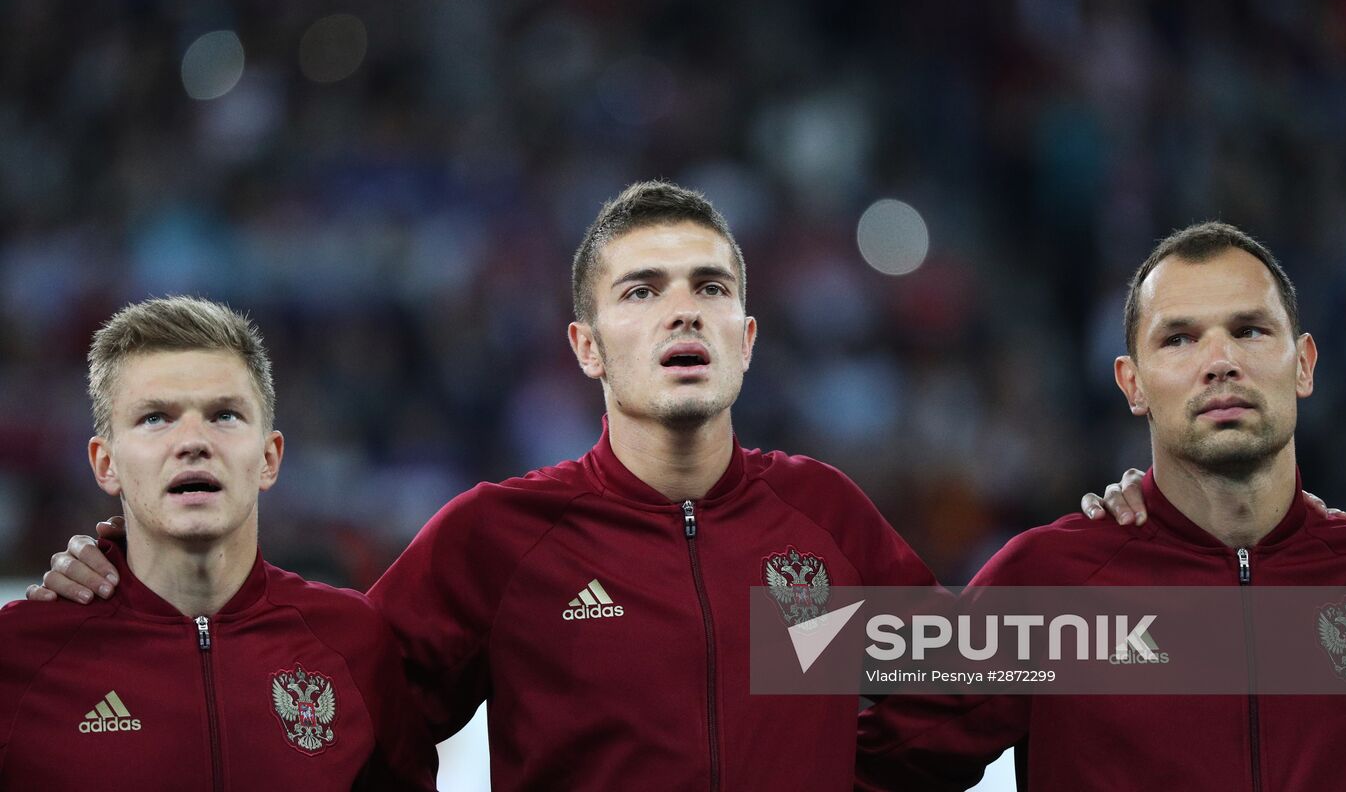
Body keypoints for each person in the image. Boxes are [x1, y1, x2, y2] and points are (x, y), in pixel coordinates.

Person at [31, 182, 1151, 788]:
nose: (680, 310)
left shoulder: (820, 516)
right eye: (641, 290)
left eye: (709, 287)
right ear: (583, 343)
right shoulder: (501, 538)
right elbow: (331, 712)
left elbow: (956, 696)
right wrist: (128, 580)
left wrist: (1118, 544)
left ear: (747, 336)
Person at [857, 222, 1346, 790]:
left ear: (1305, 364)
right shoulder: (1051, 588)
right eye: (1179, 339)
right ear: (1132, 384)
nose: (1220, 362)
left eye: (1250, 330)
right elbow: (867, 765)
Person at [0, 297, 436, 790]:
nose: (193, 441)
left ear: (269, 458)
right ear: (106, 464)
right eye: (155, 418)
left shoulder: (354, 645)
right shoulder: (17, 656)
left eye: (224, 415)